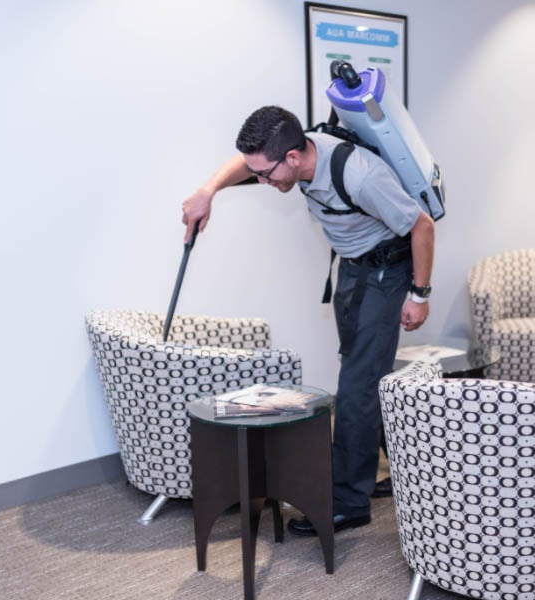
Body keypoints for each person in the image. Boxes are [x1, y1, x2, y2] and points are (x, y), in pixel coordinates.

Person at [182, 105, 435, 535]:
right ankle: (396, 472)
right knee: (364, 371)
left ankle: (347, 502)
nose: (261, 181)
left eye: (265, 175)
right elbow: (245, 164)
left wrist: (419, 295)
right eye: (257, 173)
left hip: (387, 274)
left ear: (294, 159)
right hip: (353, 269)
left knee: (355, 385)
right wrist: (209, 191)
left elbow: (423, 227)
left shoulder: (361, 175)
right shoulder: (289, 156)